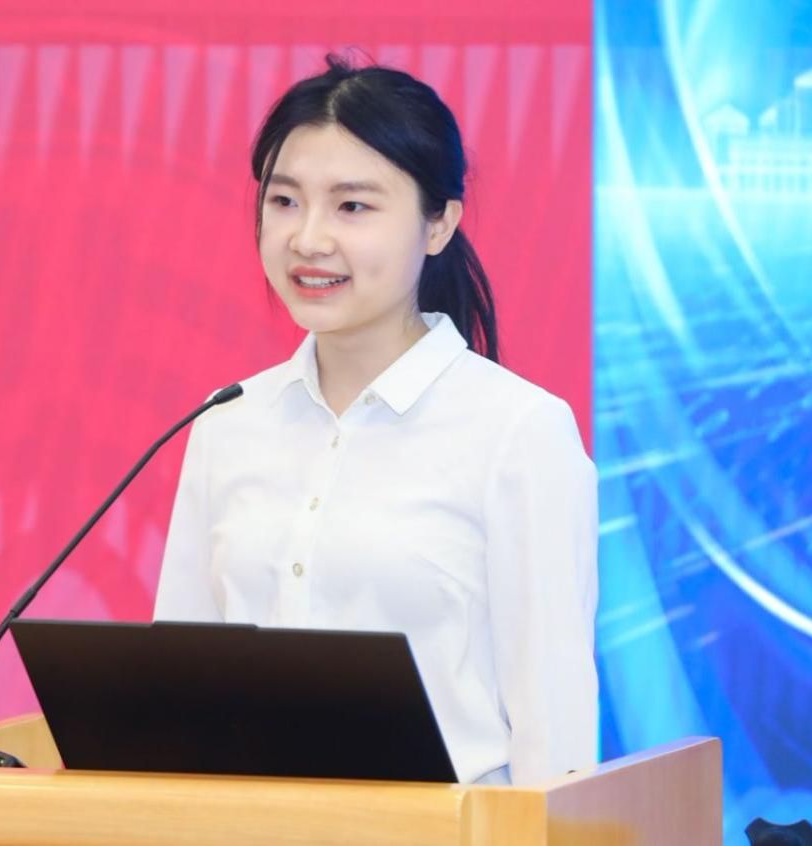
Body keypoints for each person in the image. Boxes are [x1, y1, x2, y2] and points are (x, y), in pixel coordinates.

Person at [153, 55, 598, 786]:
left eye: (352, 207)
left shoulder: (519, 431)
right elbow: (175, 693)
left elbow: (557, 732)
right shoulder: (227, 421)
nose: (308, 239)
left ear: (438, 223)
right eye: (285, 201)